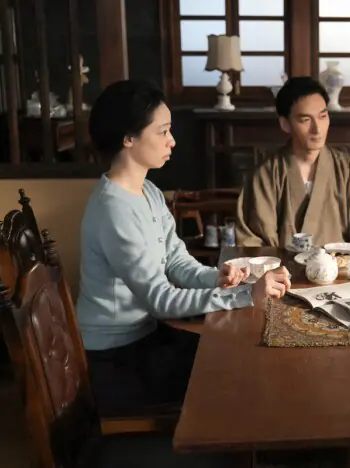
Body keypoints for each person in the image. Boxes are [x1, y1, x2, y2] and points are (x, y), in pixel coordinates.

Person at [76, 79, 291, 414]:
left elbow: (176, 262)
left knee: (238, 351)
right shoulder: (114, 210)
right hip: (117, 357)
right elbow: (161, 300)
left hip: (146, 336)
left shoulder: (147, 191)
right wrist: (246, 294)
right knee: (236, 371)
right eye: (162, 131)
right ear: (128, 138)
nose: (172, 141)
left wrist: (218, 277)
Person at [235, 76, 350, 248]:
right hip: (282, 265)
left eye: (323, 116)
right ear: (285, 124)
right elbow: (253, 242)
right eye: (305, 120)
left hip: (340, 264)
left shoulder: (347, 170)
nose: (317, 129)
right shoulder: (266, 175)